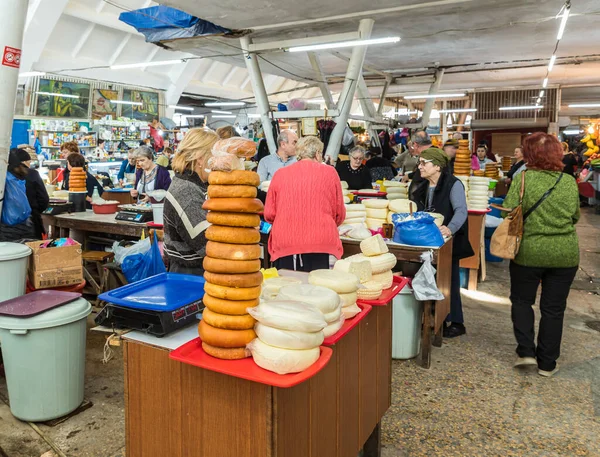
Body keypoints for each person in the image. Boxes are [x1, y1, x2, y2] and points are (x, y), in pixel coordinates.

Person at [504, 133, 579, 377]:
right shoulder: (568, 181)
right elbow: (575, 216)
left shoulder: (523, 178)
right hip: (565, 254)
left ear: (530, 155)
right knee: (554, 309)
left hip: (529, 252)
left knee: (522, 301)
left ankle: (526, 351)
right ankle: (547, 363)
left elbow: (509, 208)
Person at [410, 148, 473, 338]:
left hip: (448, 241)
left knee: (449, 280)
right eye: (419, 162)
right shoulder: (420, 184)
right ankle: (431, 318)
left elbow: (461, 210)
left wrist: (450, 228)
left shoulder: (453, 184)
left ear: (437, 166)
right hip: (426, 240)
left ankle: (456, 321)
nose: (420, 167)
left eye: (424, 163)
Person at [264, 136, 346, 272]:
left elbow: (269, 214)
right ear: (318, 154)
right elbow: (339, 214)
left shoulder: (280, 174)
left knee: (288, 289)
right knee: (320, 289)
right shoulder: (330, 172)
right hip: (322, 242)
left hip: (286, 243)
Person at [163, 128, 219, 275]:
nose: (218, 162)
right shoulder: (186, 191)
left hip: (200, 270)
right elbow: (205, 244)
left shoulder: (200, 185)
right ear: (200, 159)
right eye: (215, 156)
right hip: (190, 275)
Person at [0, 149, 35, 242]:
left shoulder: (4, 177)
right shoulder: (19, 175)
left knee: (10, 253)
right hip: (26, 222)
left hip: (7, 226)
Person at [23, 153, 50, 239]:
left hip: (5, 225)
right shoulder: (32, 174)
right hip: (31, 220)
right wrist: (37, 211)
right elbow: (44, 199)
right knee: (33, 249)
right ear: (26, 161)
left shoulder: (4, 174)